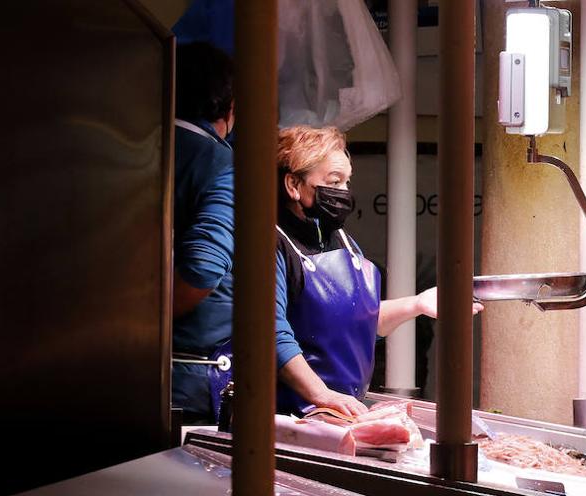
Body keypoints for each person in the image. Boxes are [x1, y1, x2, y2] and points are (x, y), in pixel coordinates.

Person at [273, 126, 479, 417]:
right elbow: (271, 334)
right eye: (334, 181)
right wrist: (321, 394)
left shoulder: (342, 240)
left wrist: (418, 303)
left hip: (334, 411)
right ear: (293, 184)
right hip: (286, 414)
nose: (344, 192)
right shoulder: (272, 243)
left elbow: (358, 322)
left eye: (347, 182)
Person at [171, 42, 237, 423]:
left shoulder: (137, 149)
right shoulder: (220, 162)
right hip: (192, 374)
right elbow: (201, 270)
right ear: (228, 107)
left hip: (120, 365)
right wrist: (147, 329)